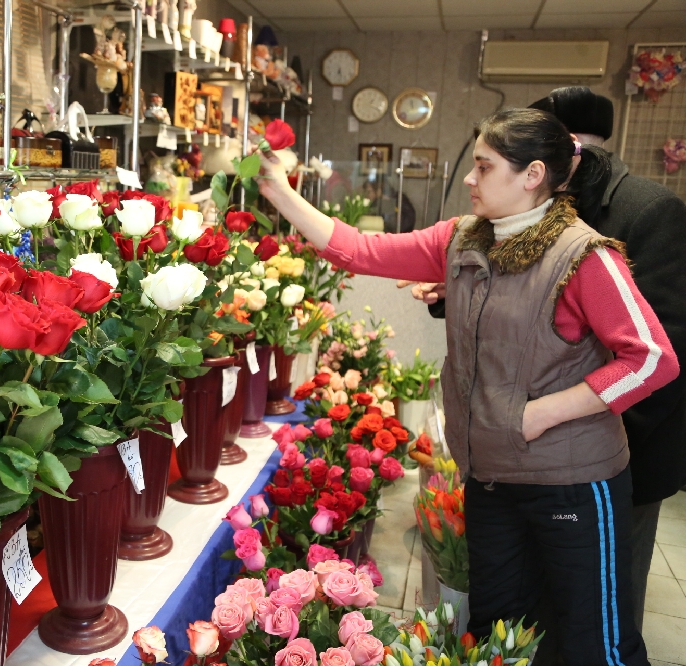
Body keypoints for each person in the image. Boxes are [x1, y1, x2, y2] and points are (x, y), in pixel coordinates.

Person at [257, 108, 679, 665]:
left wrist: (543, 413)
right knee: (499, 632)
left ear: (532, 175)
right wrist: (281, 193)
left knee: (594, 639)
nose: (469, 179)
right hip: (490, 481)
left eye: (484, 166)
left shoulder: (584, 256)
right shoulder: (462, 240)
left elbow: (651, 359)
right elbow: (360, 249)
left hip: (573, 482)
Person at [407, 87, 686, 634]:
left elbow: (660, 346)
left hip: (611, 449)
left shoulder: (645, 212)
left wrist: (577, 429)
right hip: (524, 456)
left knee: (599, 618)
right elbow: (528, 310)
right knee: (517, 615)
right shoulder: (523, 212)